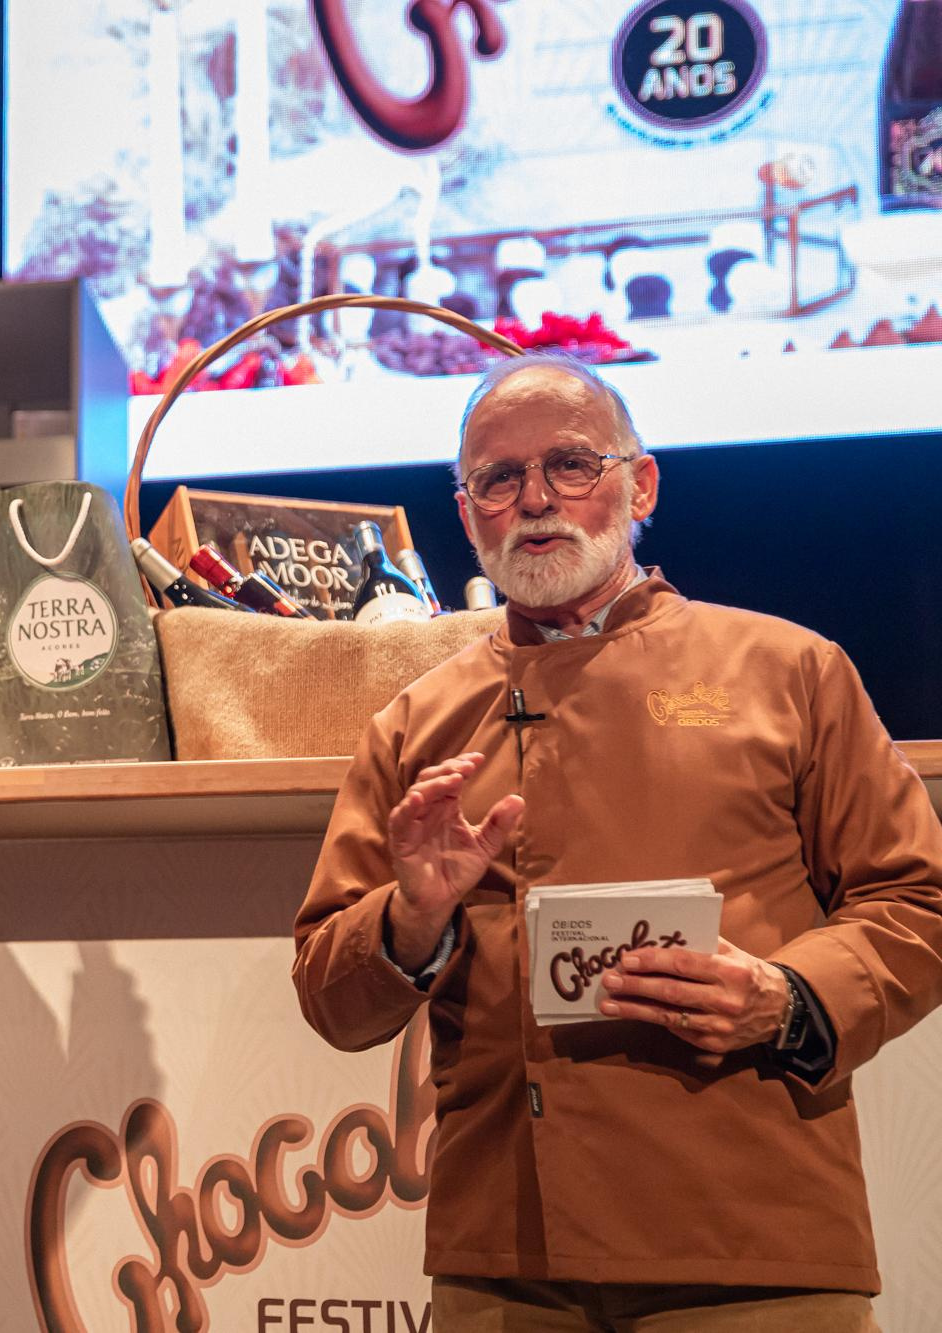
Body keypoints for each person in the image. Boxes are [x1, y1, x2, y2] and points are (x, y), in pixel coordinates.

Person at [292, 354, 942, 1331]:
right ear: (465, 513)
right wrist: (411, 914)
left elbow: (917, 901)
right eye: (497, 479)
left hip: (752, 1240)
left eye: (568, 464)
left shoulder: (789, 669)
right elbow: (330, 996)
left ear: (639, 485)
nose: (534, 500)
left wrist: (786, 994)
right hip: (503, 1261)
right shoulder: (411, 723)